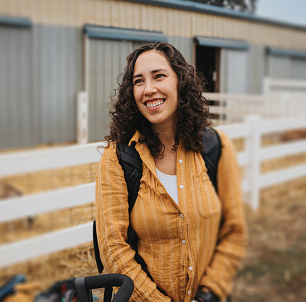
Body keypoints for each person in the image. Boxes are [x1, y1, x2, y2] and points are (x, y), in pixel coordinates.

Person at [95, 42, 247, 302]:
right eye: (138, 81)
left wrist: (209, 294)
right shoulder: (118, 159)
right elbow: (113, 249)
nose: (149, 89)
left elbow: (233, 232)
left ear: (180, 82)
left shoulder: (216, 148)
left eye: (159, 76)